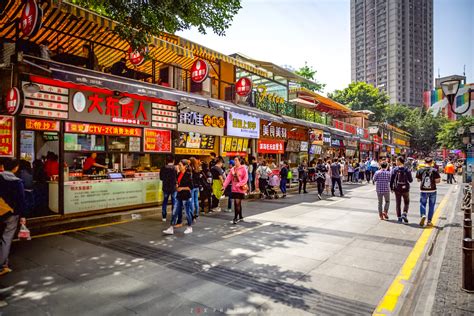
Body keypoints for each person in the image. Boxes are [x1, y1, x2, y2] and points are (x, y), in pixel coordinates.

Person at [0, 159, 26, 275]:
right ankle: (2, 265)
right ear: (15, 168)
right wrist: (23, 215)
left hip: (1, 210)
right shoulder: (17, 182)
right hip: (11, 214)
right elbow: (21, 201)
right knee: (6, 238)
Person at [163, 160, 193, 235]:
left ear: (185, 166)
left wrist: (182, 188)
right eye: (178, 165)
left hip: (186, 196)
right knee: (174, 212)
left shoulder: (188, 175)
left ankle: (189, 227)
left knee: (187, 212)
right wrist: (177, 185)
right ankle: (171, 228)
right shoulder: (179, 173)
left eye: (180, 165)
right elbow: (178, 182)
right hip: (179, 196)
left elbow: (191, 187)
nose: (178, 166)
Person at [223, 157, 249, 224]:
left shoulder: (243, 169)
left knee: (236, 203)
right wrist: (224, 186)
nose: (235, 161)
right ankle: (240, 216)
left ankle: (235, 218)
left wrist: (239, 184)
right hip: (234, 189)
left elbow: (245, 179)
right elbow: (228, 178)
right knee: (238, 203)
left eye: (236, 160)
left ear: (240, 161)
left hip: (240, 189)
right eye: (234, 160)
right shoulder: (232, 169)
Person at [416, 157, 441, 227]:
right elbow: (438, 181)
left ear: (424, 162)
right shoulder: (434, 170)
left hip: (423, 190)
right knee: (431, 206)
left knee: (422, 204)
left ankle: (423, 215)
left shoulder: (420, 170)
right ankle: (429, 221)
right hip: (433, 190)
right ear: (431, 162)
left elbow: (418, 180)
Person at [390, 156, 413, 223]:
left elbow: (391, 180)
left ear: (400, 161)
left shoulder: (395, 169)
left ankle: (399, 217)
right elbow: (410, 180)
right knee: (406, 202)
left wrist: (391, 187)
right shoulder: (407, 170)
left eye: (397, 161)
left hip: (397, 189)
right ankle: (404, 213)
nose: (396, 162)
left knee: (398, 203)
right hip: (405, 189)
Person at [159, 155, 177, 222]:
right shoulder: (175, 168)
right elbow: (176, 179)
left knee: (165, 201)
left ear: (166, 161)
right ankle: (174, 215)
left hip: (165, 187)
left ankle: (164, 216)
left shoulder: (163, 168)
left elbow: (161, 178)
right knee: (174, 202)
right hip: (173, 188)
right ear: (173, 161)